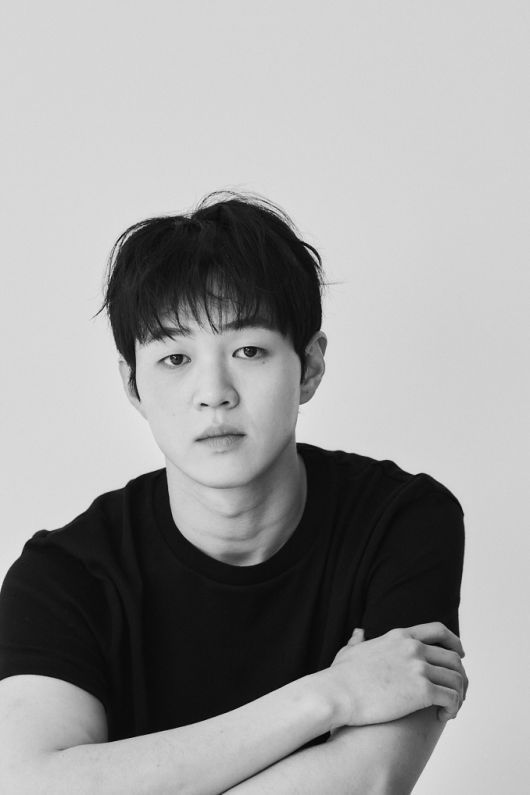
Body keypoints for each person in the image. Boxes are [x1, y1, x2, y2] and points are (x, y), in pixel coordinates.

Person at [0, 191, 467, 794]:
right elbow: (30, 784)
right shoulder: (65, 575)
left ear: (310, 366)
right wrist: (330, 694)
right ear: (133, 385)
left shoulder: (400, 521)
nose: (213, 392)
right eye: (174, 358)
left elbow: (371, 779)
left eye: (249, 350)